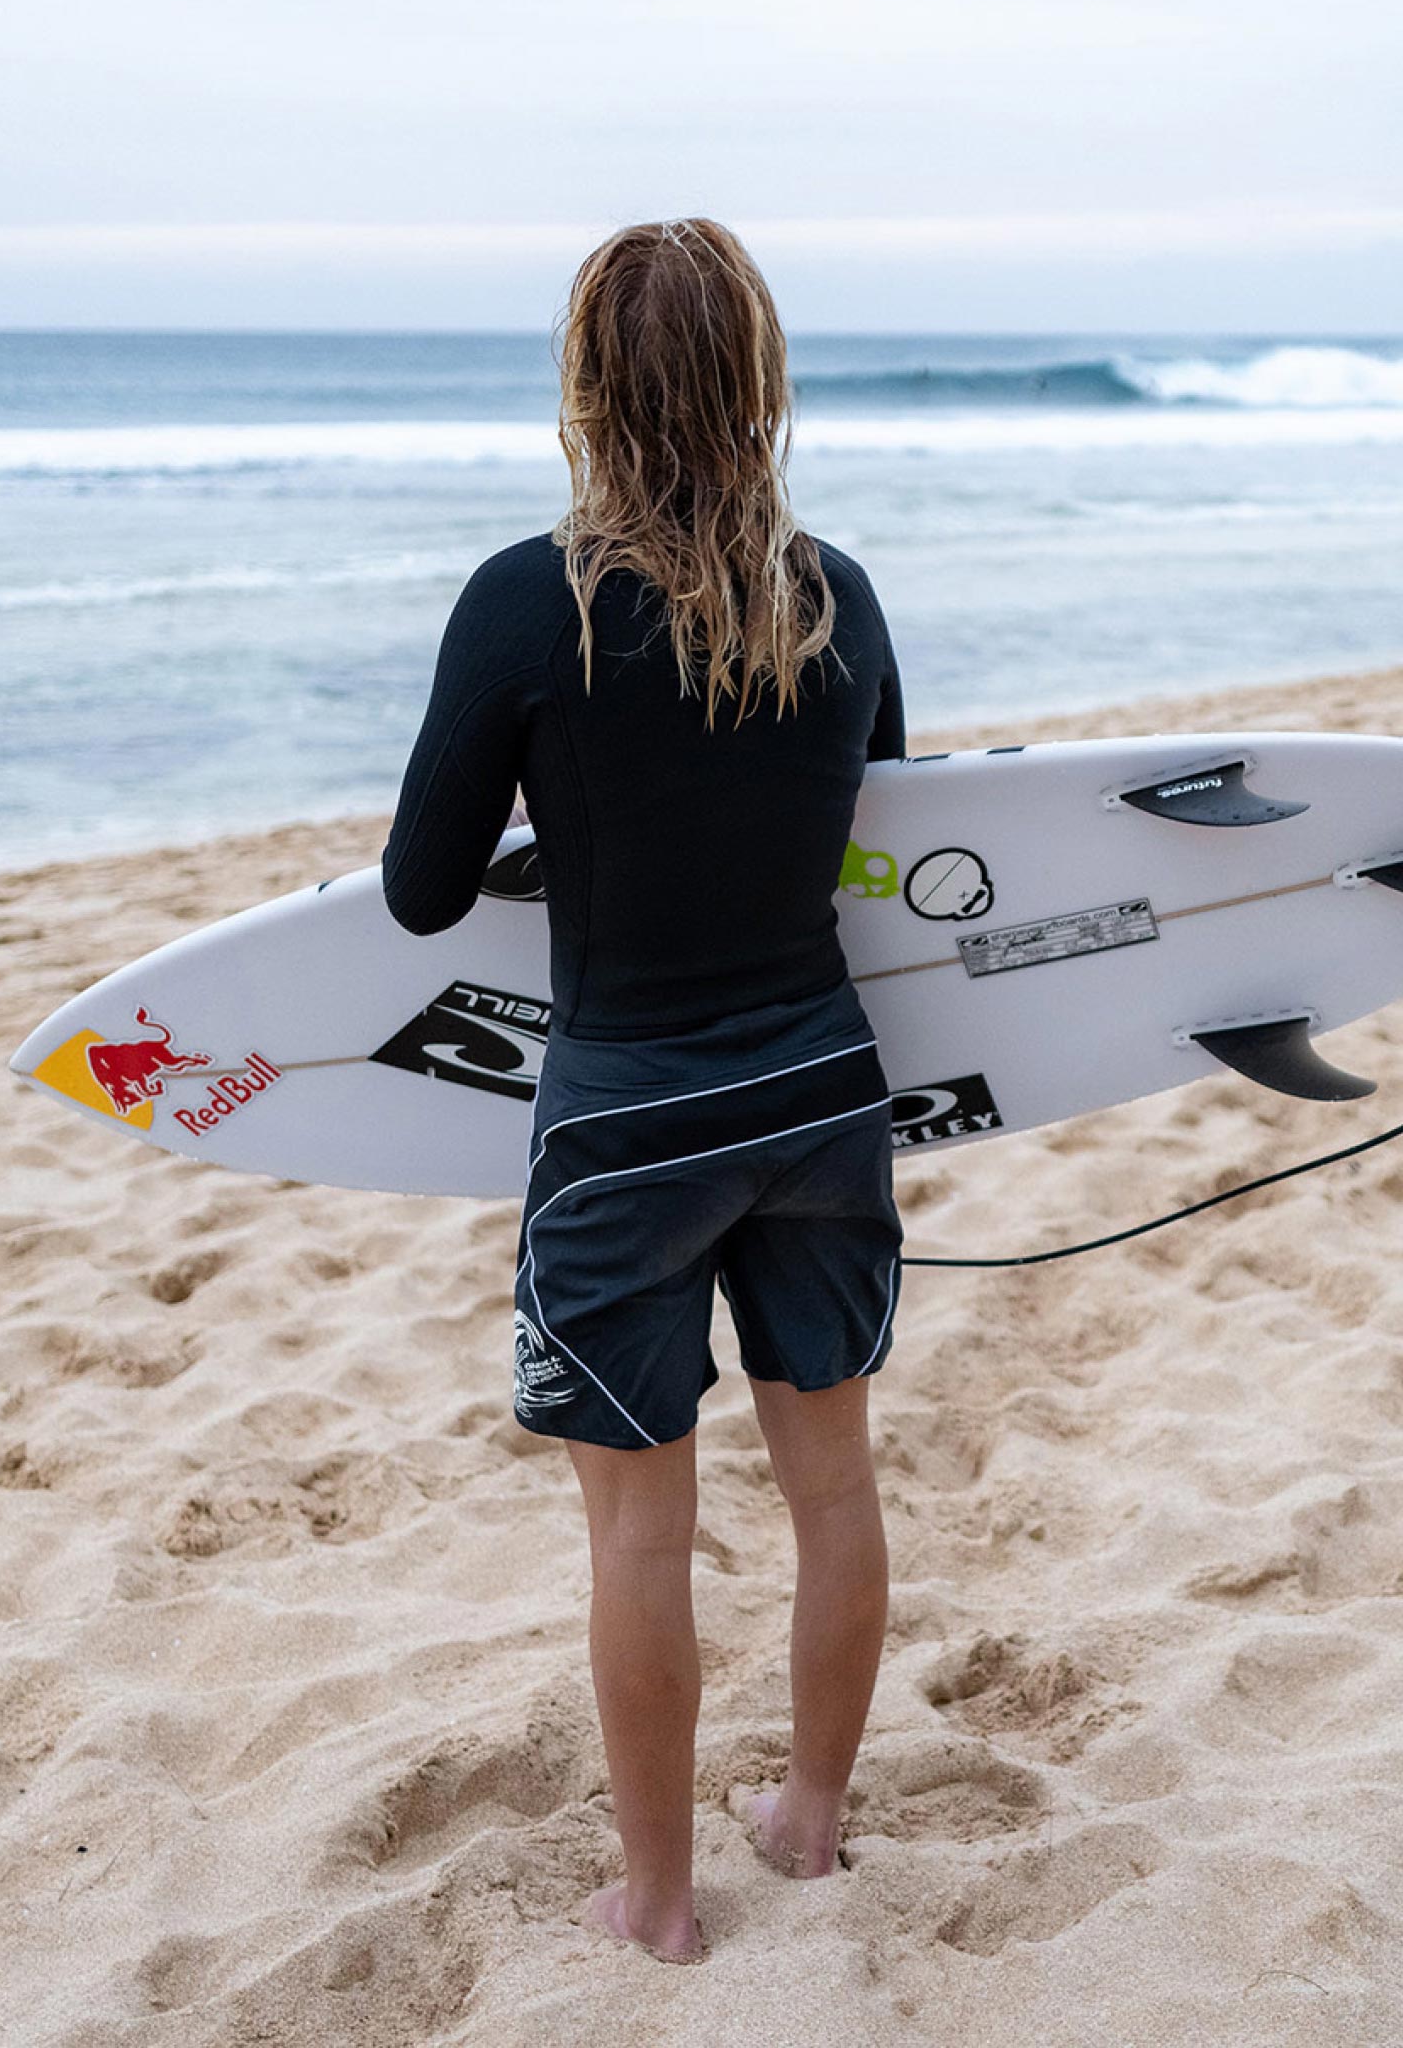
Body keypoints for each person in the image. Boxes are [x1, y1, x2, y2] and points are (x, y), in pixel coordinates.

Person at [381, 217, 906, 1965]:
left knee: (640, 1530)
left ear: (589, 389)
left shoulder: (525, 603)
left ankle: (664, 1901)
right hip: (822, 1092)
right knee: (834, 1486)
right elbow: (874, 827)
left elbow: (422, 891)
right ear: (757, 378)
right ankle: (809, 1820)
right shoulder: (836, 593)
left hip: (627, 1130)